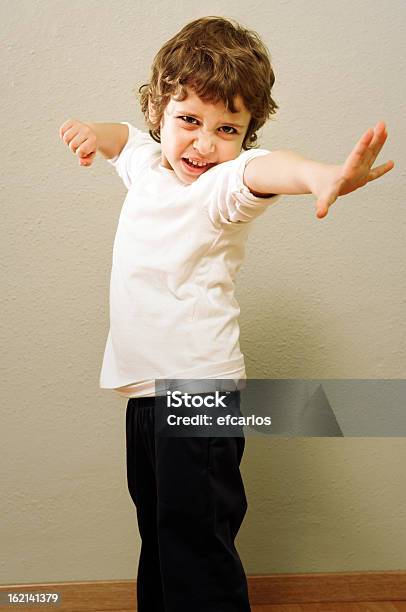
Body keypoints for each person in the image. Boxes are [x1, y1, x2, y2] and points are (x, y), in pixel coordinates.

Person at [59, 16, 394, 612]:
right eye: (189, 120)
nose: (204, 143)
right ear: (159, 110)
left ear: (245, 136)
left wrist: (322, 177)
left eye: (227, 129)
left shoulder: (222, 187)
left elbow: (272, 170)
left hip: (198, 392)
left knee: (197, 543)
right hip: (144, 393)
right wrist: (91, 131)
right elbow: (120, 139)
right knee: (159, 537)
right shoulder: (149, 170)